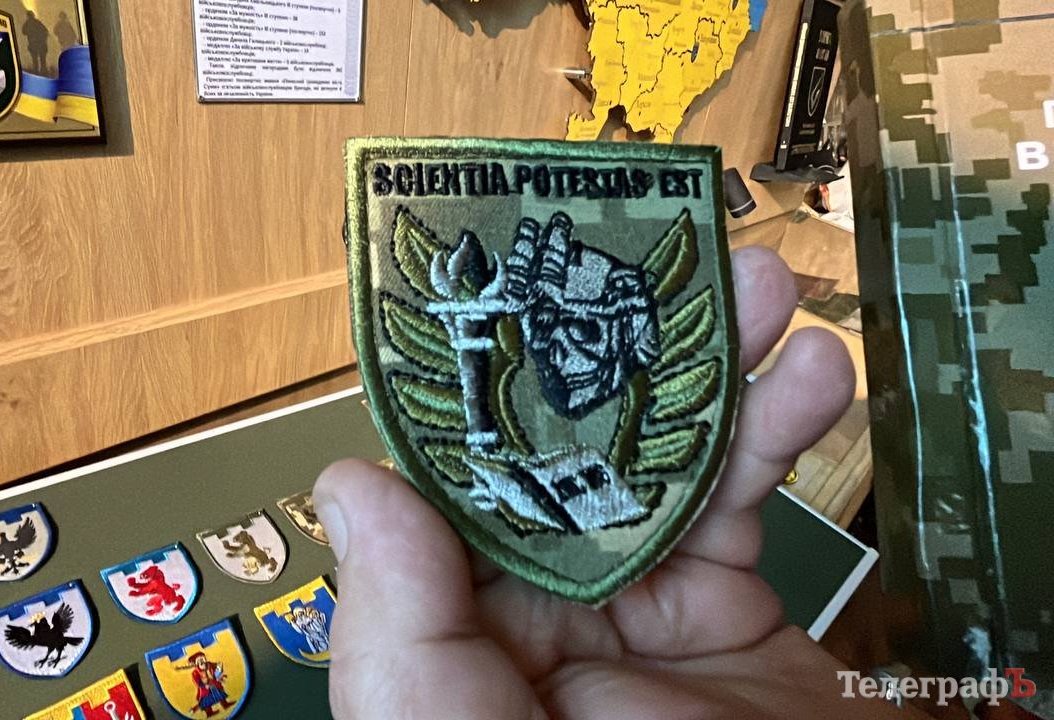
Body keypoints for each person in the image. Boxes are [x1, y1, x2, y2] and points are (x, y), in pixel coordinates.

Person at [313, 246, 928, 719]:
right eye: (543, 330)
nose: (555, 354)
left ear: (625, 345)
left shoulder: (602, 477)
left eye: (580, 333)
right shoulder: (532, 457)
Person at [21, 10, 49, 75]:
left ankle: (36, 73)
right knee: (42, 60)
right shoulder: (37, 22)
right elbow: (45, 31)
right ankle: (43, 72)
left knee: (35, 60)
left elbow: (24, 32)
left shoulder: (27, 23)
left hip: (33, 44)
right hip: (40, 43)